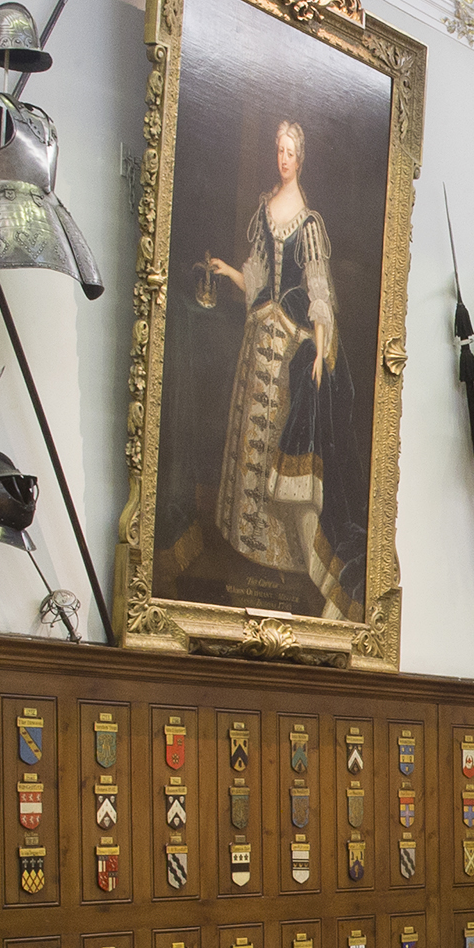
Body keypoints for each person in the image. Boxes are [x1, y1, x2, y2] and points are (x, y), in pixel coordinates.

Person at [175, 118, 350, 615]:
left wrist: (319, 351)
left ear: (301, 158)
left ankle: (284, 553)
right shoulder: (265, 208)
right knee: (249, 431)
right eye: (279, 150)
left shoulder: (309, 223)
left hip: (290, 342)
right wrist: (227, 271)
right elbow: (256, 279)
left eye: (290, 151)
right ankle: (242, 538)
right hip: (258, 338)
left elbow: (318, 291)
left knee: (275, 435)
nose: (283, 159)